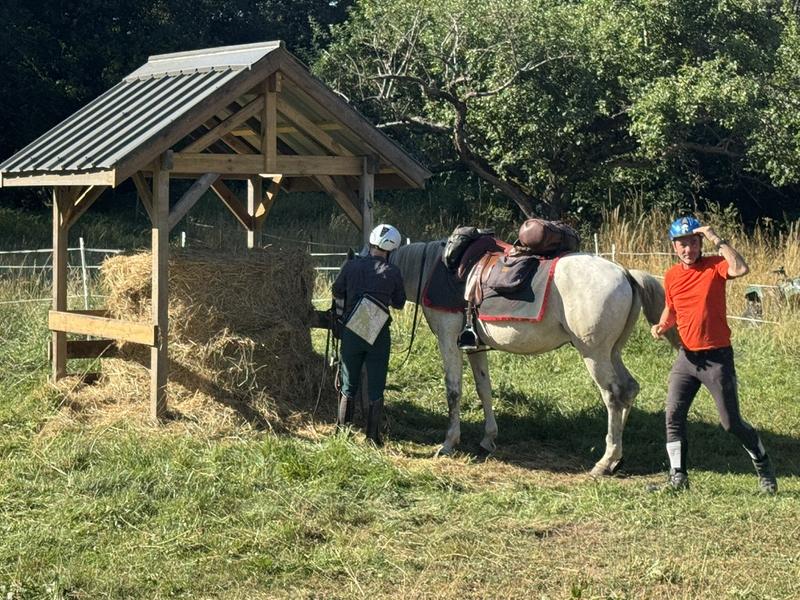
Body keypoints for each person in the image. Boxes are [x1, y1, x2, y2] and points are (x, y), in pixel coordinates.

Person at [651, 216, 778, 493]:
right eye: (683, 245)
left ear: (700, 244)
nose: (689, 250)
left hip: (717, 358)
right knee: (673, 415)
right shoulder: (671, 275)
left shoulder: (715, 266)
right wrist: (662, 324)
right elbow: (672, 308)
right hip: (687, 358)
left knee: (730, 423)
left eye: (693, 243)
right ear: (675, 247)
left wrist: (715, 238)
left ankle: (763, 464)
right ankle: (678, 477)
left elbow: (741, 268)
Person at [332, 224, 406, 445]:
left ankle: (342, 433)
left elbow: (337, 290)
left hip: (352, 330)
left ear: (372, 243)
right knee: (376, 385)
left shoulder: (351, 265)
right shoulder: (393, 272)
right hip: (378, 333)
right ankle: (373, 437)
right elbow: (400, 303)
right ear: (391, 250)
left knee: (348, 383)